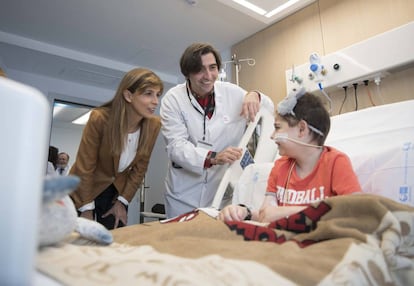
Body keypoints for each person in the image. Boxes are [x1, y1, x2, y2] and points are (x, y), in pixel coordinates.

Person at [160, 42, 274, 218]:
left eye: (212, 68)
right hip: (182, 195)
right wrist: (213, 157)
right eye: (200, 70)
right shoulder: (173, 99)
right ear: (187, 73)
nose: (208, 76)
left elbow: (268, 109)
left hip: (220, 193)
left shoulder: (232, 93)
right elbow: (176, 147)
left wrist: (255, 94)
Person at [218, 89, 362, 222]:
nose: (272, 136)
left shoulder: (336, 162)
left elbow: (357, 211)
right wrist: (244, 212)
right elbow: (266, 215)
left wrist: (283, 212)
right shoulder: (281, 167)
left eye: (277, 128)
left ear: (301, 129)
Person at [69, 68, 164, 230]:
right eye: (148, 94)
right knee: (79, 242)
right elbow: (85, 167)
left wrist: (123, 201)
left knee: (113, 239)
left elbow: (140, 168)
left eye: (157, 94)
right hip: (84, 187)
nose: (155, 101)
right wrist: (86, 209)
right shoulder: (100, 118)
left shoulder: (153, 125)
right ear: (128, 96)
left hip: (115, 191)